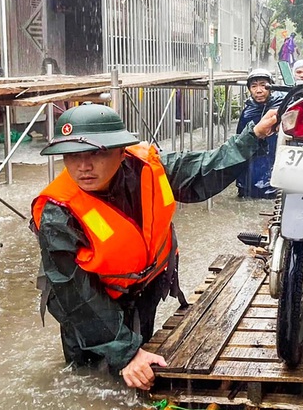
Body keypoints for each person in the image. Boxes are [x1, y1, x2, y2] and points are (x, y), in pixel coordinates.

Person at [30, 103, 278, 391]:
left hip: (141, 291)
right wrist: (127, 354)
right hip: (87, 308)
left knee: (140, 376)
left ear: (121, 151)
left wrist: (253, 136)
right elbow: (75, 293)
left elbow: (203, 170)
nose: (83, 166)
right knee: (86, 381)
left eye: (96, 153)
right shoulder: (57, 212)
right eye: (72, 156)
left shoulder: (148, 167)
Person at [236, 69, 285, 198]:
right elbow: (240, 144)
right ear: (249, 89)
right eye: (254, 86)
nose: (259, 90)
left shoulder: (281, 106)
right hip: (252, 164)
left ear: (271, 87)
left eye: (263, 85)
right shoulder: (248, 112)